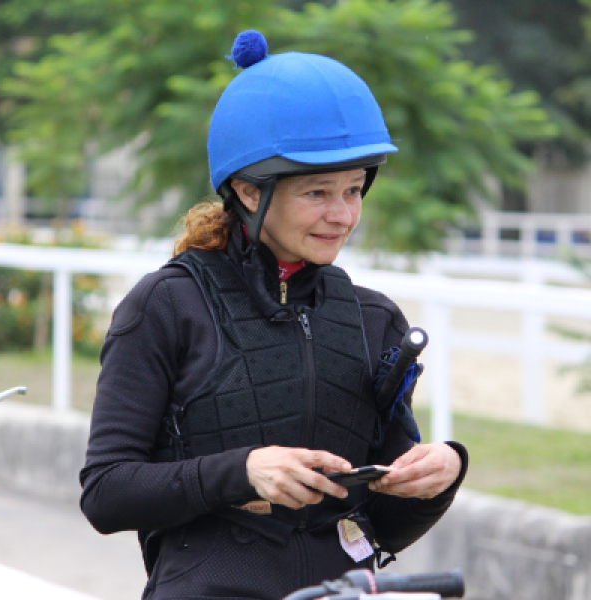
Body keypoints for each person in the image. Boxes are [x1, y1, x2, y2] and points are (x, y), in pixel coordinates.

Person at [80, 30, 468, 600]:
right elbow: (106, 493)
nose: (342, 215)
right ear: (248, 192)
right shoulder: (166, 305)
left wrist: (439, 478)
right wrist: (242, 472)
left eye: (353, 191)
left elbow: (383, 527)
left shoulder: (374, 318)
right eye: (317, 193)